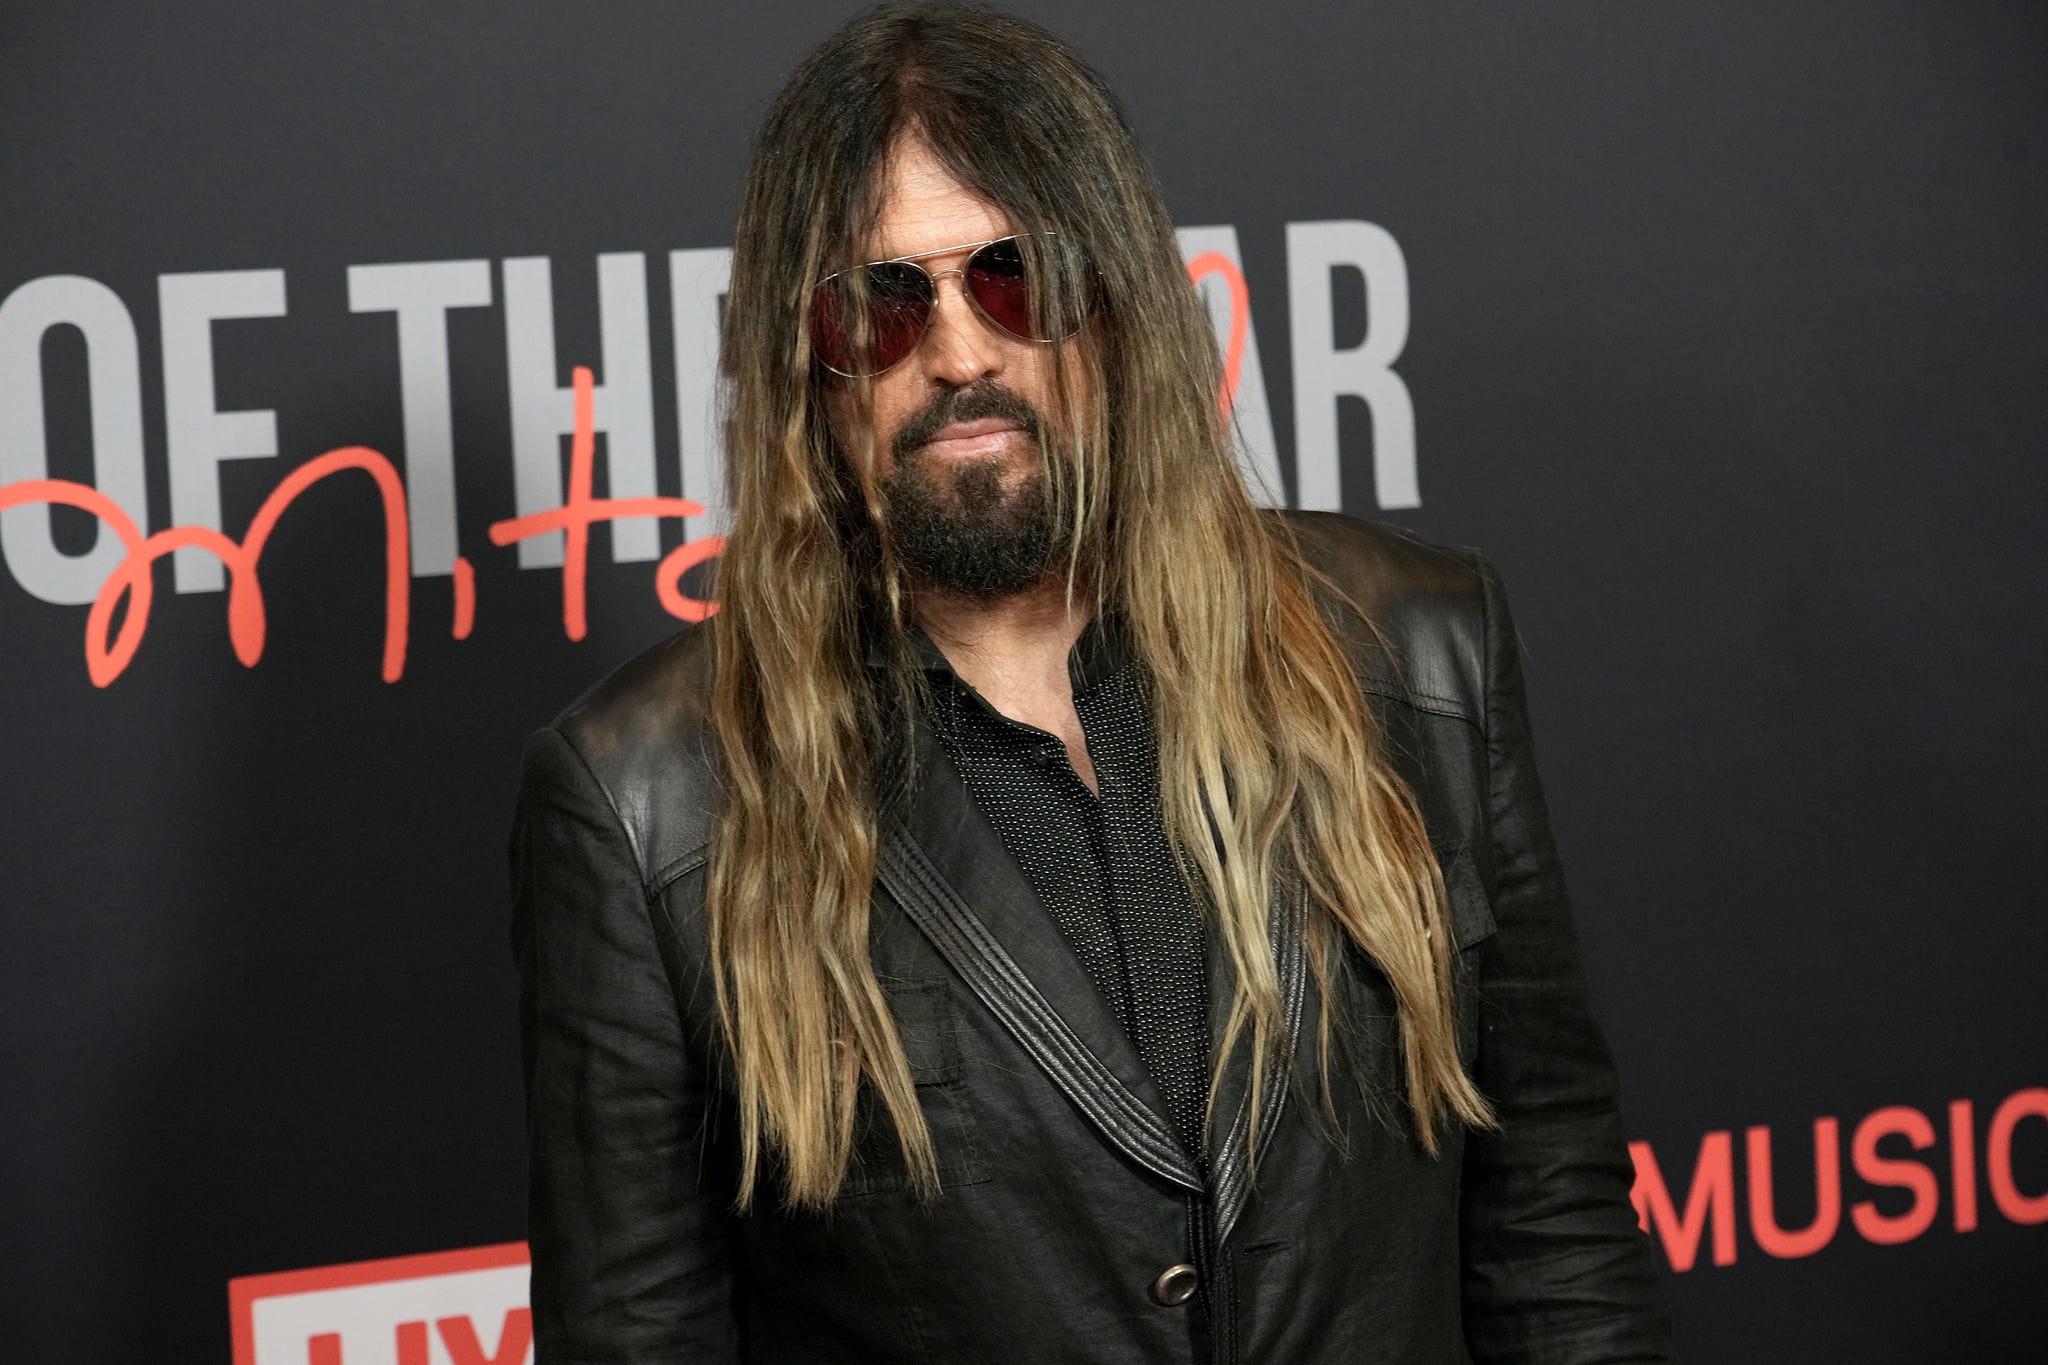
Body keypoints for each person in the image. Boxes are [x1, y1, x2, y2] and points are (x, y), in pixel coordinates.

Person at [511, 4, 1677, 1361]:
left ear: (1117, 302)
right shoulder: (648, 801)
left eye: (1017, 280)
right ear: (802, 366)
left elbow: (1554, 1238)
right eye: (881, 304)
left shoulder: (1418, 655)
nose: (957, 353)